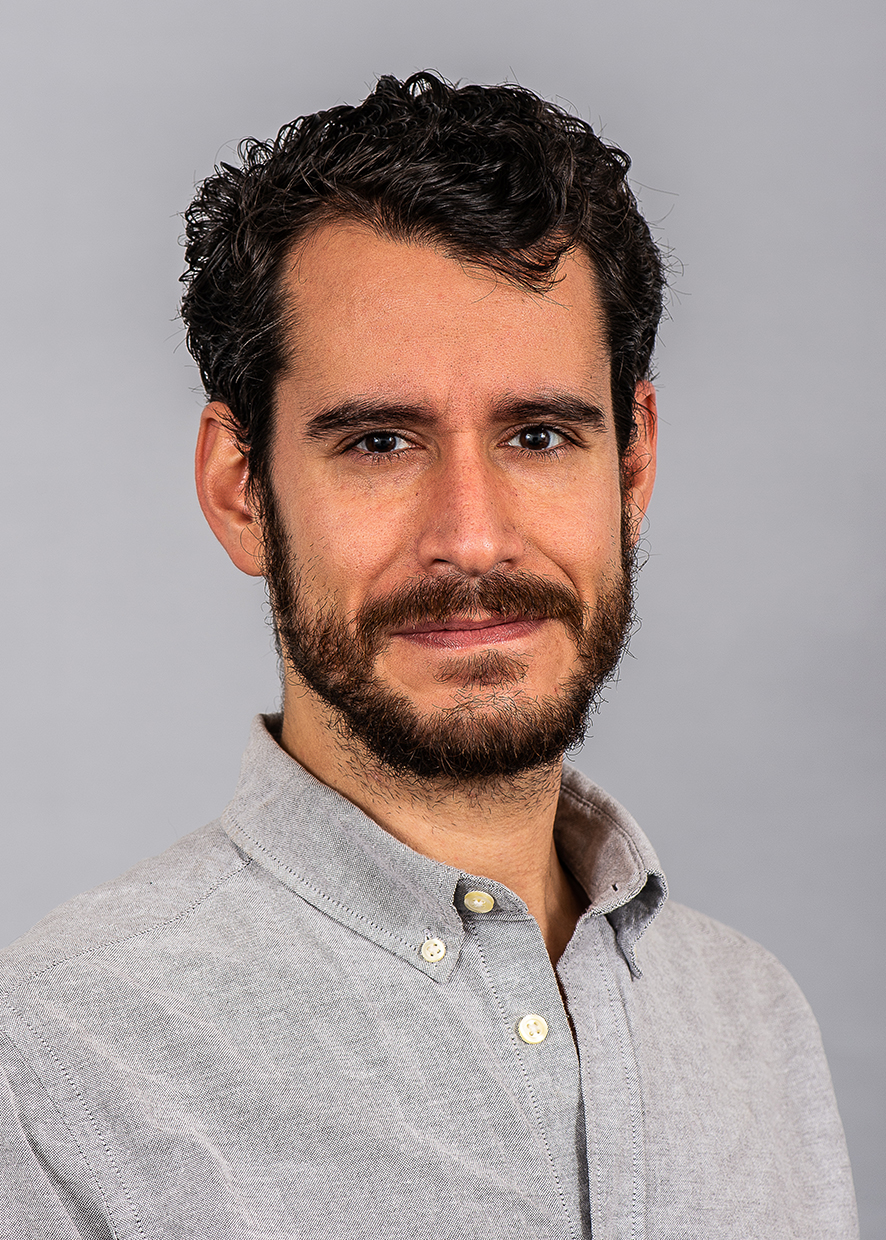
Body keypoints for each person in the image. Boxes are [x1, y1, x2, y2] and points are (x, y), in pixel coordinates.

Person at [0, 72, 857, 1238]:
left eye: (540, 434)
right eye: (380, 441)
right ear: (240, 486)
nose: (470, 536)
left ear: (633, 464)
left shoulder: (755, 1022)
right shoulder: (54, 1062)